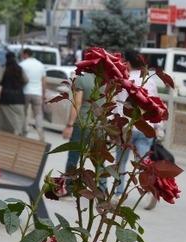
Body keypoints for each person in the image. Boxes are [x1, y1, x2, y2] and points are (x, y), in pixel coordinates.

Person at [113, 50, 164, 202]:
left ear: (127, 63)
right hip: (146, 127)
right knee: (143, 163)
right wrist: (159, 127)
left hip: (127, 127)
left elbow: (119, 106)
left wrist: (114, 125)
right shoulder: (149, 80)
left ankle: (118, 194)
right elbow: (156, 105)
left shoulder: (124, 80)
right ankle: (150, 190)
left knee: (120, 163)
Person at [62, 70, 101, 180]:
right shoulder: (108, 79)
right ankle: (102, 190)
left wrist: (69, 125)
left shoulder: (82, 78)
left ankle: (69, 187)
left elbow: (77, 103)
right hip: (100, 125)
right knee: (99, 160)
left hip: (82, 123)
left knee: (73, 157)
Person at [0, 52, 27, 135]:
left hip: (5, 97)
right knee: (20, 117)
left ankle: (5, 134)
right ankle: (19, 132)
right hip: (19, 97)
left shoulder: (4, 68)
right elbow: (26, 80)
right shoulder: (20, 69)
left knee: (4, 118)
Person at [19, 48, 46, 141]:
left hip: (25, 92)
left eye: (22, 55)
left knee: (24, 113)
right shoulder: (41, 65)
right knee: (38, 114)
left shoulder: (22, 65)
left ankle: (23, 132)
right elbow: (43, 81)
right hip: (37, 93)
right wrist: (43, 94)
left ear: (25, 54)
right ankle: (40, 133)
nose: (21, 56)